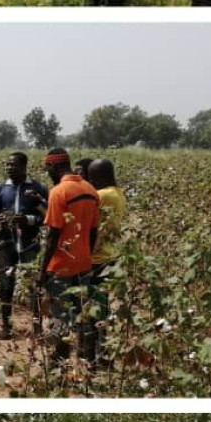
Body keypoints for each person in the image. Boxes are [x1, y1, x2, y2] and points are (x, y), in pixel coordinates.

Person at [37, 148, 100, 363]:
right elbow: (93, 231)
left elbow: (53, 234)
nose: (48, 173)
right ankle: (88, 359)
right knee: (84, 313)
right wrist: (86, 257)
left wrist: (43, 269)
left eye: (48, 169)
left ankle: (59, 361)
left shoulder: (58, 192)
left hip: (61, 265)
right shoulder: (91, 189)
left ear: (53, 166)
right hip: (84, 263)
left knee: (60, 313)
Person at [0, 152, 48, 339]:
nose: (9, 168)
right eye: (7, 165)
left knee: (34, 284)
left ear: (24, 167)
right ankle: (6, 326)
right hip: (6, 242)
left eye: (13, 165)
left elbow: (47, 215)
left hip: (30, 243)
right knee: (6, 284)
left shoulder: (37, 188)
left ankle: (37, 327)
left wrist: (28, 219)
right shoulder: (0, 189)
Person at [87, 157, 126, 366]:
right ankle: (104, 353)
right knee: (102, 307)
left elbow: (98, 230)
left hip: (96, 258)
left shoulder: (101, 196)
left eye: (92, 176)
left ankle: (100, 356)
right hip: (109, 255)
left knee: (95, 309)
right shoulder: (118, 193)